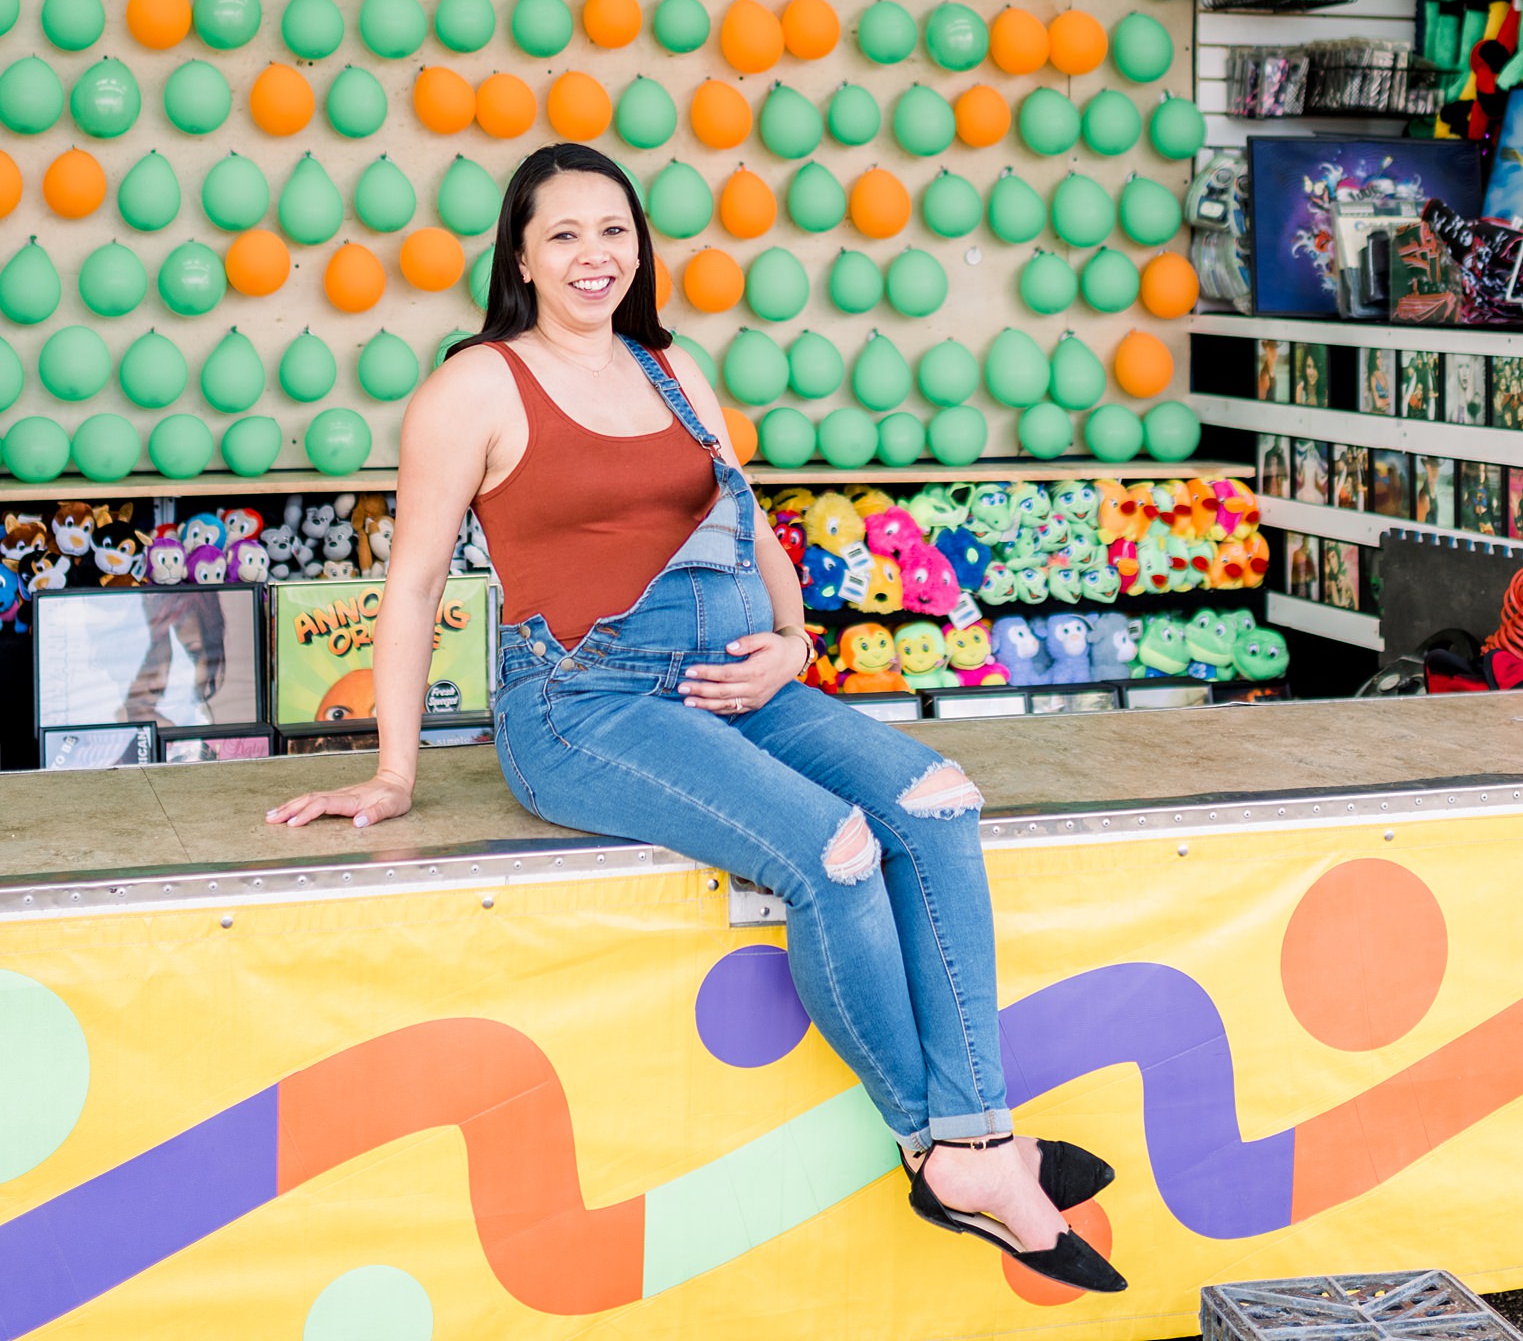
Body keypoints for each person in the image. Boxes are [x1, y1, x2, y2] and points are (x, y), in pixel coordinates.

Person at [270, 142, 1123, 1290]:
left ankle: (979, 1135)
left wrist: (793, 643)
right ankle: (942, 1146)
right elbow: (416, 586)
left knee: (940, 804)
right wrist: (393, 776)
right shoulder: (474, 385)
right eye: (564, 233)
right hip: (584, 704)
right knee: (836, 850)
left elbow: (754, 525)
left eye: (613, 231)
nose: (592, 256)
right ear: (519, 251)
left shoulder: (672, 368)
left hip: (738, 681)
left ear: (639, 247)